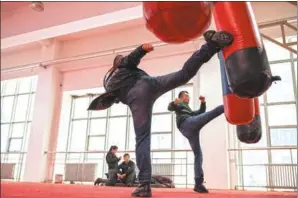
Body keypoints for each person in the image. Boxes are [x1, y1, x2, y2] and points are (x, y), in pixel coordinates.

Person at [88, 30, 233, 197]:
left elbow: (114, 96)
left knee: (142, 139)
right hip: (150, 84)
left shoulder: (109, 83)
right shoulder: (120, 68)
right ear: (117, 63)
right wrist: (141, 49)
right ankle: (211, 45)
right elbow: (130, 60)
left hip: (138, 97)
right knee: (183, 75)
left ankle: (144, 185)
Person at [168, 92, 224, 193]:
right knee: (213, 113)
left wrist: (203, 102)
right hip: (187, 124)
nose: (188, 97)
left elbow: (200, 113)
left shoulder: (188, 109)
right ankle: (227, 106)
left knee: (198, 155)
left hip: (191, 130)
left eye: (189, 96)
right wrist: (173, 102)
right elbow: (170, 107)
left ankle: (198, 184)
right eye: (186, 95)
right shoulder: (179, 104)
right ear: (180, 98)